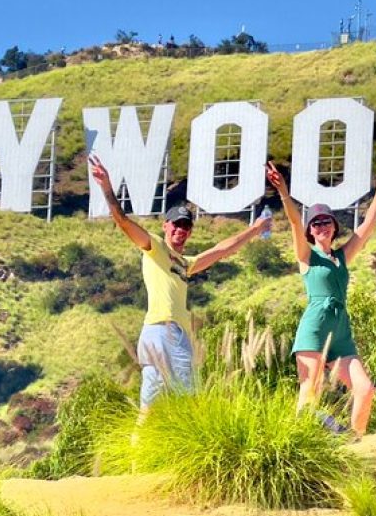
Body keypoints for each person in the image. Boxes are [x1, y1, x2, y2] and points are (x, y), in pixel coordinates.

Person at [89, 155, 272, 414]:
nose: (181, 229)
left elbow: (221, 250)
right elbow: (123, 222)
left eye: (187, 225)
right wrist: (107, 187)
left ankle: (157, 450)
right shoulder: (154, 247)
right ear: (166, 226)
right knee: (167, 404)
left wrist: (254, 230)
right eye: (177, 224)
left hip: (176, 334)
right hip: (160, 330)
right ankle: (144, 451)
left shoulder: (186, 263)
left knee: (172, 405)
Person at [265, 161, 376, 437]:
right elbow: (292, 221)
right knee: (309, 392)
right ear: (310, 230)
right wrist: (283, 192)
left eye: (326, 221)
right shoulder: (307, 256)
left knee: (365, 389)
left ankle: (354, 443)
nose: (321, 225)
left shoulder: (342, 257)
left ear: (334, 227)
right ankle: (302, 444)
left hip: (340, 329)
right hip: (315, 325)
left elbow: (368, 225)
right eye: (315, 223)